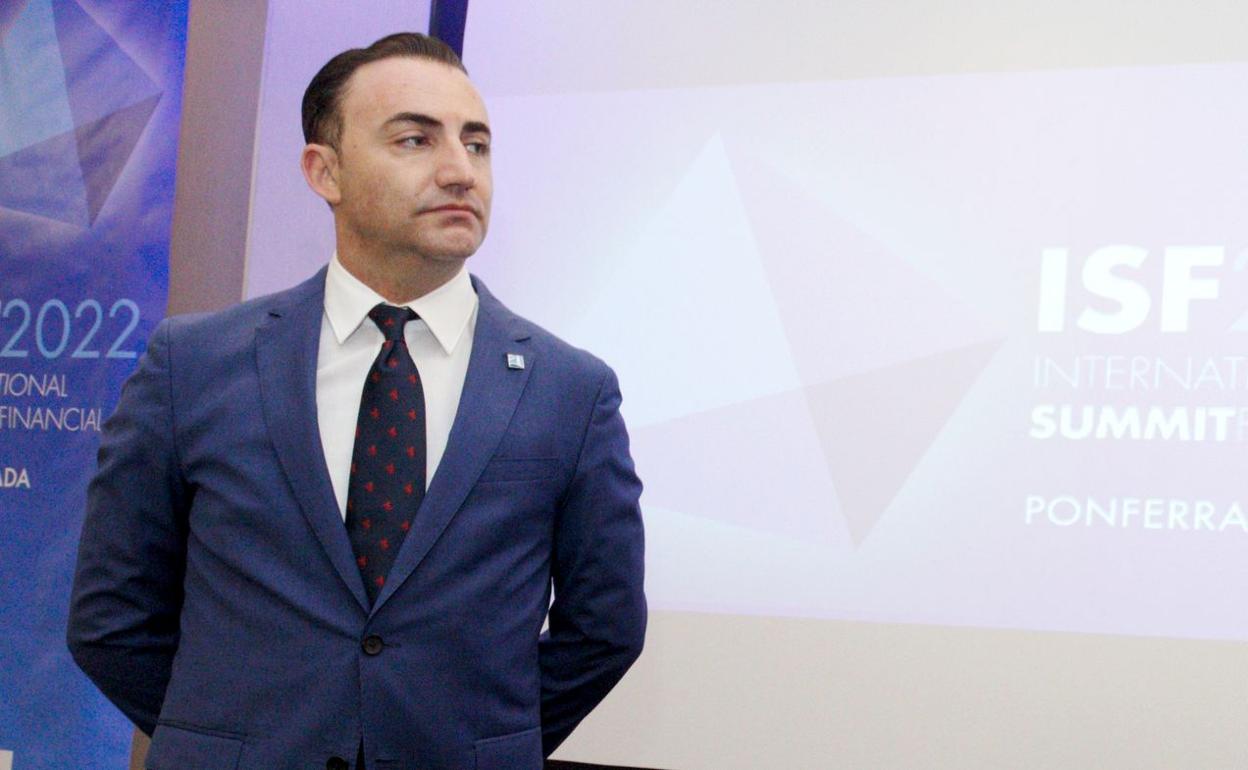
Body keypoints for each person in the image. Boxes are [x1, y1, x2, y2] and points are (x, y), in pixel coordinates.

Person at [67, 32, 646, 770]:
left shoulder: (571, 390)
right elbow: (109, 618)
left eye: (477, 144)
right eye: (415, 139)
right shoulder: (194, 365)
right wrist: (226, 736)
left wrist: (474, 743)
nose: (458, 170)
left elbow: (605, 630)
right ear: (325, 170)